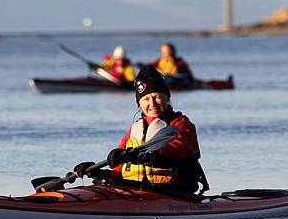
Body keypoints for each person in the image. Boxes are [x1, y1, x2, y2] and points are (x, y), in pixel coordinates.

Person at [73, 66, 208, 195]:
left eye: (157, 97)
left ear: (167, 98)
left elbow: (178, 151)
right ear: (139, 104)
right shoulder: (135, 129)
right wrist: (97, 172)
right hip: (138, 190)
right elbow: (120, 169)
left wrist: (144, 156)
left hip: (174, 191)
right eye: (146, 99)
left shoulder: (180, 123)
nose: (152, 103)